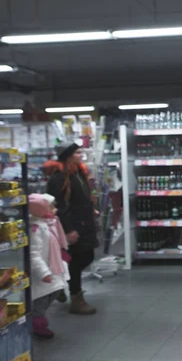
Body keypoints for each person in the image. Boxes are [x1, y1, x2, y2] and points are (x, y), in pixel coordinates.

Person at [45, 143, 97, 315]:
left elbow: (79, 198)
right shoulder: (59, 178)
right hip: (73, 226)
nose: (81, 154)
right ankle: (76, 298)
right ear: (68, 156)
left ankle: (59, 284)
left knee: (87, 256)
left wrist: (91, 209)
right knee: (76, 260)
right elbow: (58, 206)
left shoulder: (77, 173)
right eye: (77, 152)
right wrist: (67, 230)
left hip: (84, 223)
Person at [29, 193, 70, 339]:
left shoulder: (50, 224)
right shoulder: (36, 229)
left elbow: (55, 244)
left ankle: (37, 318)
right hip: (43, 273)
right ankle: (37, 323)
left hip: (54, 268)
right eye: (52, 206)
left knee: (55, 291)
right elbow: (34, 254)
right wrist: (44, 272)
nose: (55, 209)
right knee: (41, 299)